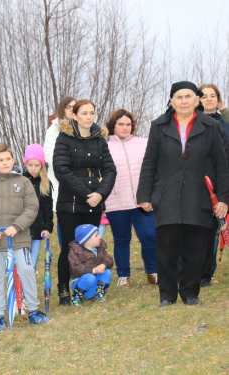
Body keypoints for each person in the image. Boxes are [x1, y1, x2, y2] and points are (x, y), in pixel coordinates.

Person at [137, 81, 229, 307]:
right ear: (171, 100)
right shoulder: (158, 125)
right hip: (166, 195)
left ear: (197, 100)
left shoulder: (210, 126)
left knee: (196, 248)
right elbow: (150, 162)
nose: (184, 101)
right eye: (179, 97)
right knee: (166, 250)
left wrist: (224, 198)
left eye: (189, 96)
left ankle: (190, 293)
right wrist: (144, 195)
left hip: (199, 196)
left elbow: (221, 164)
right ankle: (166, 295)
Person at [0, 143, 51, 332]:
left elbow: (32, 208)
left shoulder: (23, 182)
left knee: (26, 270)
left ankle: (33, 310)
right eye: (1, 160)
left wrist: (17, 226)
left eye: (8, 159)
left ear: (13, 160)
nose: (5, 163)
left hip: (19, 239)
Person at [52, 99, 116, 305]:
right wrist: (86, 194)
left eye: (92, 113)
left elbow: (110, 169)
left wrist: (100, 194)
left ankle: (92, 285)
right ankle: (63, 290)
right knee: (70, 247)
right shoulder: (64, 138)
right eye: (84, 113)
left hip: (95, 202)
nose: (89, 117)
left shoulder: (100, 139)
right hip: (69, 203)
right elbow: (61, 170)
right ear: (75, 115)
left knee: (92, 247)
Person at [104, 109, 157, 288]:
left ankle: (153, 271)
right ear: (113, 126)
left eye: (128, 124)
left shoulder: (144, 143)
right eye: (121, 124)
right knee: (121, 239)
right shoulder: (104, 147)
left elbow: (153, 169)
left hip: (142, 201)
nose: (125, 128)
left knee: (149, 236)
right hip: (116, 201)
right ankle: (123, 276)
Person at [198, 83, 229, 287]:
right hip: (199, 181)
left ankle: (207, 274)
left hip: (221, 181)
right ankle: (194, 271)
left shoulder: (224, 123)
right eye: (205, 96)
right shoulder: (194, 121)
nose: (209, 99)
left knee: (216, 229)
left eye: (213, 96)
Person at [44, 96, 76, 245]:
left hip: (80, 182)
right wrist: (64, 172)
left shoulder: (82, 127)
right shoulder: (54, 129)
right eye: (68, 107)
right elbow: (49, 155)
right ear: (62, 109)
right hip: (60, 180)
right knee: (65, 220)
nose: (71, 110)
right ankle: (67, 251)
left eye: (74, 107)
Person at [23, 143, 53, 270]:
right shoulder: (20, 181)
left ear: (42, 165)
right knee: (21, 264)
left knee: (32, 264)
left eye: (37, 165)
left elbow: (48, 208)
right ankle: (19, 289)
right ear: (25, 164)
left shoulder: (46, 184)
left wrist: (47, 227)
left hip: (37, 231)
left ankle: (28, 290)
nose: (33, 168)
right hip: (22, 231)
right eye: (30, 165)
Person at [68, 224, 114, 307]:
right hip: (81, 284)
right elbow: (76, 268)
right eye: (96, 235)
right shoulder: (75, 252)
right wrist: (92, 271)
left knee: (107, 272)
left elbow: (109, 259)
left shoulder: (99, 248)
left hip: (94, 285)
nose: (99, 237)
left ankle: (99, 294)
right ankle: (76, 297)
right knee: (90, 277)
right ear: (87, 240)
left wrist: (104, 265)